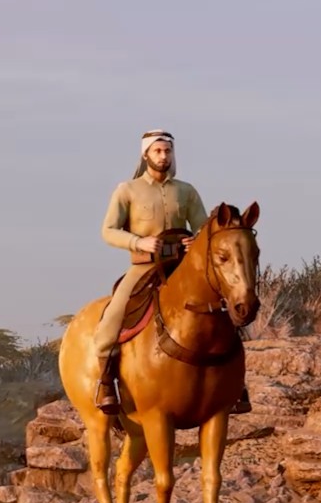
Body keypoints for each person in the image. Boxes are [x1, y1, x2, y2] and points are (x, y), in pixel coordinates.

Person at [93, 129, 252, 416]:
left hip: (182, 265)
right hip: (145, 266)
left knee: (227, 313)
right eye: (157, 151)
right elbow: (108, 231)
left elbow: (206, 229)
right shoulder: (127, 190)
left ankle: (236, 384)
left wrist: (196, 240)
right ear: (146, 154)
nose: (163, 156)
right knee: (111, 320)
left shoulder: (186, 191)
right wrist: (139, 242)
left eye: (167, 151)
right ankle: (106, 384)